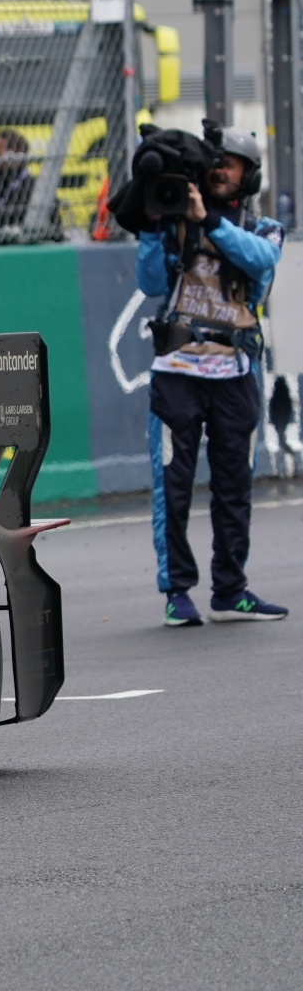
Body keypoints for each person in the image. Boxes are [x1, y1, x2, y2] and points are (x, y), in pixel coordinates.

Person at [137, 126, 289, 626]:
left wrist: (209, 222)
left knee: (234, 487)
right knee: (173, 487)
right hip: (176, 372)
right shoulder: (177, 221)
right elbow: (151, 282)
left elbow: (261, 262)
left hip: (236, 373)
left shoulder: (264, 228)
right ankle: (177, 592)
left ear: (250, 173)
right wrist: (155, 223)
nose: (222, 168)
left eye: (233, 162)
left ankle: (232, 588)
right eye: (216, 161)